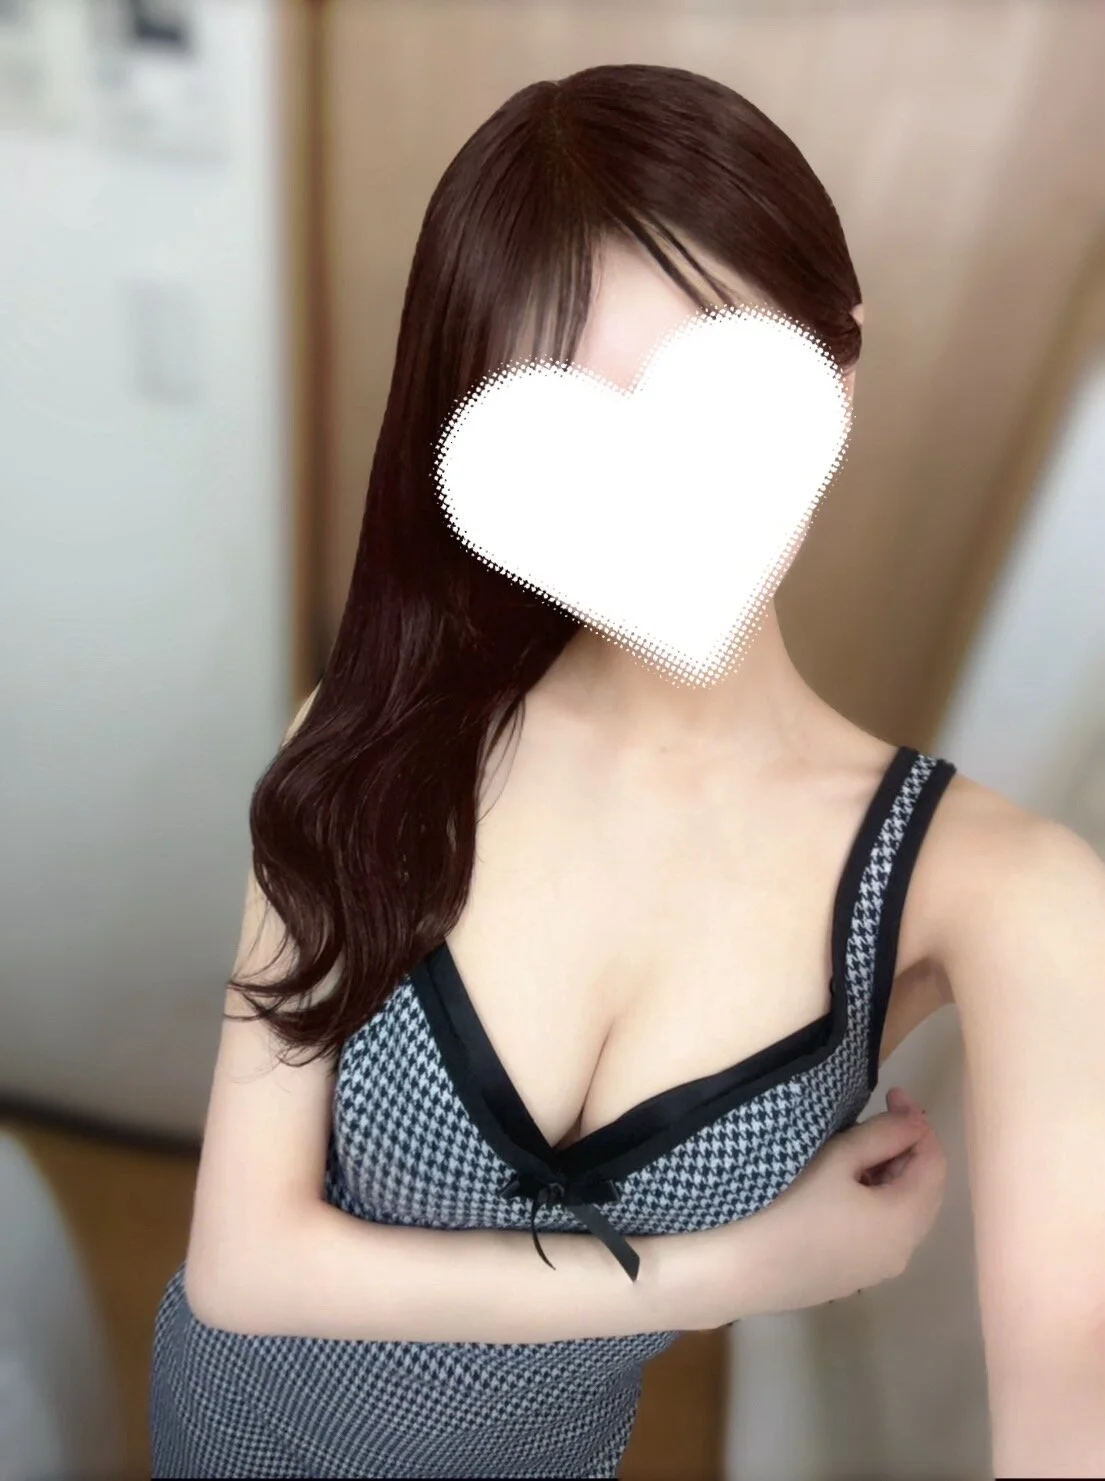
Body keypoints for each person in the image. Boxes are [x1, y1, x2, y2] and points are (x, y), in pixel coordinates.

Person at [150, 63, 956, 1479]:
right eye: (572, 441)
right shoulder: (365, 749)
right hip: (243, 1429)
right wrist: (746, 1266)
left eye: (718, 400)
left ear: (836, 367)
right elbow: (243, 1266)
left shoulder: (927, 882)